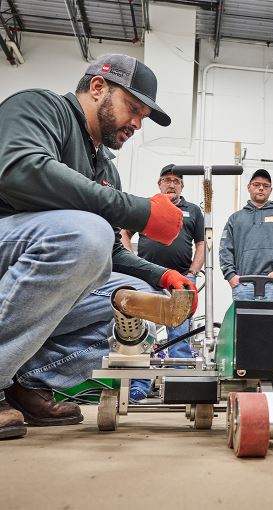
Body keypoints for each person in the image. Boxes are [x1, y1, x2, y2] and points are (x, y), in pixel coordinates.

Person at [0, 54, 198, 440]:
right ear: (97, 88)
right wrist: (140, 211)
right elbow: (19, 170)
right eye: (134, 109)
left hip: (44, 264)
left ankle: (24, 380)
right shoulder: (40, 107)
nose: (138, 124)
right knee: (85, 233)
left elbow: (106, 251)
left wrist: (165, 275)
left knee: (141, 299)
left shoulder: (105, 167)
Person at [121, 164, 204, 360]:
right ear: (159, 184)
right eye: (167, 180)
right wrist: (131, 261)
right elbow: (124, 232)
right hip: (147, 276)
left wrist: (192, 272)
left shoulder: (193, 211)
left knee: (179, 327)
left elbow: (201, 243)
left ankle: (179, 370)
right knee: (142, 326)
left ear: (182, 186)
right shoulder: (148, 205)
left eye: (176, 181)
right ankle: (140, 377)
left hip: (181, 277)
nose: (172, 184)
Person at [219, 169, 273, 300]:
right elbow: (225, 249)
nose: (261, 188)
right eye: (256, 185)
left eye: (265, 186)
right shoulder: (235, 219)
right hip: (243, 284)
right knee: (244, 321)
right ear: (248, 187)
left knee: (271, 320)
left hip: (272, 283)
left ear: (270, 190)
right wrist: (230, 275)